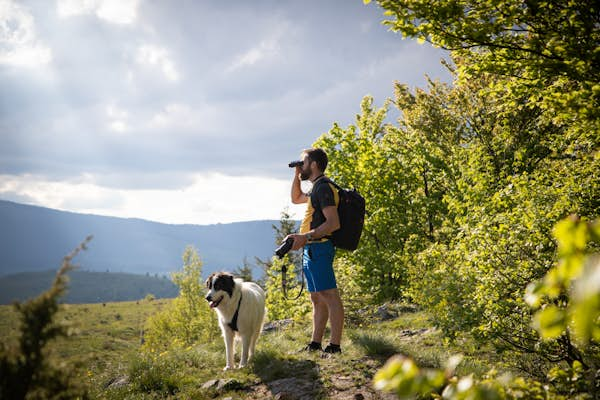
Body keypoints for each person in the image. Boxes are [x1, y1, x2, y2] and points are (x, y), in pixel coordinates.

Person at [285, 148, 344, 354]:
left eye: (304, 161)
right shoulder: (316, 189)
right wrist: (297, 176)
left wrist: (305, 237)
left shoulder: (324, 189)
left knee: (329, 295)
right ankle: (315, 343)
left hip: (320, 248)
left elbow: (333, 223)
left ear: (315, 165)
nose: (301, 165)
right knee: (317, 298)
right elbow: (296, 198)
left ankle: (335, 346)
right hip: (311, 249)